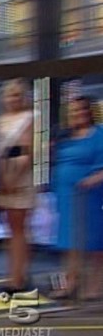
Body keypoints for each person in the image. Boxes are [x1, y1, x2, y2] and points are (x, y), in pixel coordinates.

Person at [49, 95, 103, 300]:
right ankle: (71, 282)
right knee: (69, 240)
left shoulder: (99, 135)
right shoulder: (65, 137)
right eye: (74, 110)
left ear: (89, 111)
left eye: (82, 109)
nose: (78, 113)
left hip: (92, 195)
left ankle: (96, 285)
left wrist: (94, 179)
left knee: (96, 241)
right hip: (67, 195)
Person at [0, 79, 35, 294]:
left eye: (17, 95)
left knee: (19, 228)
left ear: (23, 97)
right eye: (9, 95)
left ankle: (19, 278)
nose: (13, 99)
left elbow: (28, 151)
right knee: (10, 229)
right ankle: (11, 274)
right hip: (4, 173)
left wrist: (13, 178)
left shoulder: (30, 117)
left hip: (21, 174)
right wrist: (1, 179)